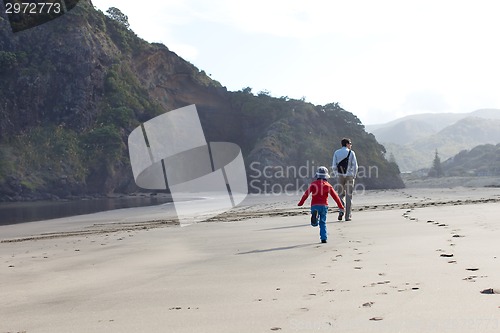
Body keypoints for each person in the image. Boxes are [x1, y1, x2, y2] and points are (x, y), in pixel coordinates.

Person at [297, 166, 344, 243]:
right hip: (324, 206)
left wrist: (301, 202)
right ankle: (324, 238)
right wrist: (341, 206)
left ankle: (314, 220)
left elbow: (306, 194)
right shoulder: (328, 186)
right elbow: (336, 197)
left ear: (317, 176)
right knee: (323, 222)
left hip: (315, 205)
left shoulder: (313, 184)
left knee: (314, 224)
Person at [332, 138, 358, 221]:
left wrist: (337, 174)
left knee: (340, 194)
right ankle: (347, 216)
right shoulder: (351, 153)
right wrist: (354, 175)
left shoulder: (336, 152)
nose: (351, 145)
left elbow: (334, 166)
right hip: (350, 175)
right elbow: (355, 166)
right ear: (347, 144)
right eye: (350, 143)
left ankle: (341, 210)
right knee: (349, 196)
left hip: (340, 175)